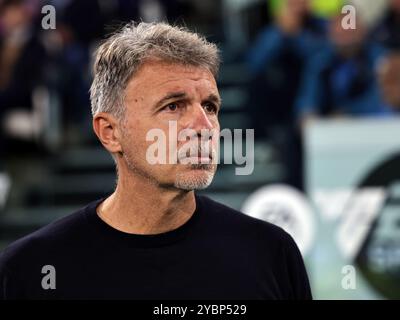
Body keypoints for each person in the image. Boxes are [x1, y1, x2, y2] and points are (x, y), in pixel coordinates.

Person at [0, 21, 312, 300]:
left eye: (210, 107)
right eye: (174, 106)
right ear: (110, 132)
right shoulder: (29, 270)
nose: (204, 127)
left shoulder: (270, 254)